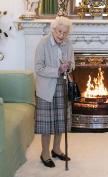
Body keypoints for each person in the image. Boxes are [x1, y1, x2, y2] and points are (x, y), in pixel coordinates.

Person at [34, 16, 75, 168]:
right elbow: (38, 68)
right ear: (54, 30)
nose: (61, 36)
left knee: (60, 121)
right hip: (46, 88)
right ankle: (45, 153)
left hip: (62, 85)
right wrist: (57, 69)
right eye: (59, 32)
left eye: (65, 33)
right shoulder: (43, 43)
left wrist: (68, 66)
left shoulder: (68, 44)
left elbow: (73, 64)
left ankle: (56, 149)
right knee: (47, 124)